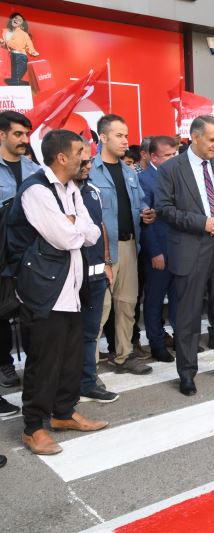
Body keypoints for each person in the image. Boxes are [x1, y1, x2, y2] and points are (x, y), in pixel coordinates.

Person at [7, 129, 109, 455]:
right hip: (44, 292)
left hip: (72, 290)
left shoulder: (70, 188)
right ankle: (33, 427)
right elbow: (66, 239)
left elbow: (91, 231)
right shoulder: (36, 191)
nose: (85, 156)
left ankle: (63, 413)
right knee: (43, 362)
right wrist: (74, 226)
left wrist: (73, 222)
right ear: (62, 157)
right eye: (80, 151)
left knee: (70, 358)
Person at [156, 115, 214, 396]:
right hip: (190, 248)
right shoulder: (171, 168)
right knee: (188, 314)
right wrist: (203, 223)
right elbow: (164, 209)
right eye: (212, 140)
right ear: (194, 137)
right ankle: (186, 372)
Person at [89, 114, 155, 375]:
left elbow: (139, 203)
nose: (125, 140)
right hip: (102, 250)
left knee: (127, 305)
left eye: (126, 135)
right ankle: (88, 366)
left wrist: (147, 212)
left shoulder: (129, 172)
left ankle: (123, 355)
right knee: (100, 309)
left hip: (129, 246)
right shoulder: (89, 171)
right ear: (103, 137)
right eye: (119, 135)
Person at [75, 141, 119, 403]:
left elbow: (100, 227)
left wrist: (106, 263)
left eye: (90, 161)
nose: (88, 166)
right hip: (67, 279)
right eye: (82, 162)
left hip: (95, 275)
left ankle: (88, 381)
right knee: (67, 335)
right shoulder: (52, 192)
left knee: (91, 333)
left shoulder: (92, 191)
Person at [0, 110, 38, 389]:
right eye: (18, 134)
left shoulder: (35, 170)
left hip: (29, 252)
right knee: (1, 312)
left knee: (31, 309)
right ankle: (4, 364)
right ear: (2, 135)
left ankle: (36, 364)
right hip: (1, 251)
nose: (24, 139)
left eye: (26, 134)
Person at [138, 135, 179, 363]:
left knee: (178, 298)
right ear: (153, 157)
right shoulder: (144, 180)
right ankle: (156, 344)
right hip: (159, 252)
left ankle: (180, 339)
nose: (173, 159)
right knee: (154, 301)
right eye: (167, 156)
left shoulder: (178, 176)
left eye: (175, 154)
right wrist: (154, 252)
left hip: (179, 249)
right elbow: (146, 220)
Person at [1, 12, 38, 86]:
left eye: (20, 20)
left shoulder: (23, 34)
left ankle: (25, 89)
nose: (16, 20)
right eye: (15, 18)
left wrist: (32, 51)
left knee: (15, 80)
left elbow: (26, 45)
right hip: (12, 56)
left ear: (21, 24)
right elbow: (7, 46)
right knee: (14, 80)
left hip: (20, 57)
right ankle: (26, 87)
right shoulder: (5, 32)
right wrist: (2, 43)